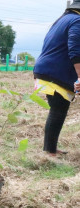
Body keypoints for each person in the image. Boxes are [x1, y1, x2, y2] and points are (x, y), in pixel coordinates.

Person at [33, 0, 80, 156]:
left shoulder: (64, 19)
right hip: (55, 71)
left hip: (47, 69)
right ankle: (49, 152)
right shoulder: (77, 20)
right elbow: (75, 50)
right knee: (58, 111)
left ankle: (50, 149)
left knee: (58, 110)